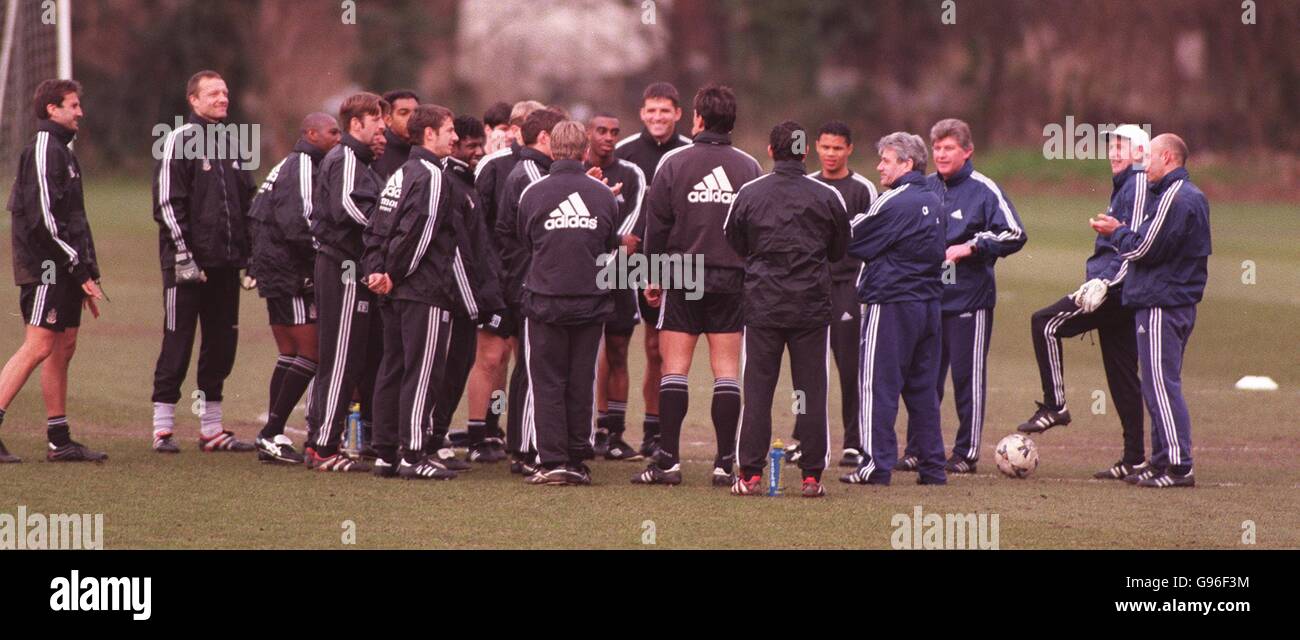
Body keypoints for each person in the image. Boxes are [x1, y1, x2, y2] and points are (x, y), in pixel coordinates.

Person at [632, 83, 763, 486]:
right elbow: (755, 230)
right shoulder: (749, 167)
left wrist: (651, 275)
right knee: (726, 372)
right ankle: (725, 464)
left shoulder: (673, 162)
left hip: (681, 276)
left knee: (675, 369)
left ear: (699, 119)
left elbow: (657, 227)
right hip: (731, 277)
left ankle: (668, 461)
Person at [723, 120, 849, 498]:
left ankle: (750, 475)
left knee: (758, 391)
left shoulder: (750, 192)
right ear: (806, 152)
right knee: (809, 390)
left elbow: (735, 239)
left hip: (763, 306)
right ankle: (811, 476)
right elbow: (839, 249)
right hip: (810, 308)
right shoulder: (827, 195)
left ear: (771, 151)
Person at [1018, 124, 1149, 481]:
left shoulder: (1136, 184)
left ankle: (1055, 406)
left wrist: (1105, 283)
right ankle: (1135, 458)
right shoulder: (1125, 184)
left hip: (1116, 291)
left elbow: (1135, 246)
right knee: (1122, 375)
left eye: (1123, 147)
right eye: (1113, 146)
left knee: (1044, 323)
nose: (1115, 152)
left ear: (1141, 153)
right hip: (1118, 290)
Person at [899, 118, 1025, 474]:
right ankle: (918, 450)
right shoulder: (923, 188)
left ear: (967, 151)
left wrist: (972, 246)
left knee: (966, 380)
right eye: (936, 148)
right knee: (923, 379)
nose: (940, 154)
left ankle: (966, 453)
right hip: (926, 299)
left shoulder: (984, 190)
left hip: (969, 301)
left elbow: (1015, 234)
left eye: (948, 148)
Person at [1090, 133, 1209, 489]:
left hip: (1163, 302)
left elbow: (1144, 249)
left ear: (1169, 158)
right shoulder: (1175, 195)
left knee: (1161, 384)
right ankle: (1159, 463)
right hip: (1163, 300)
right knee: (1156, 385)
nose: (1144, 164)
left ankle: (1178, 466)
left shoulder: (1177, 197)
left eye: (1150, 157)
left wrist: (1116, 231)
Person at [149, 70, 256, 454]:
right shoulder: (177, 141)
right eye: (213, 93)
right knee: (178, 341)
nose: (222, 98)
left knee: (221, 344)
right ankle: (162, 427)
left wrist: (251, 255)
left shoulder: (235, 142)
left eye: (225, 92)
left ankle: (212, 429)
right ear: (193, 100)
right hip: (186, 266)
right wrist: (185, 255)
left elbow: (248, 203)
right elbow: (166, 203)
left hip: (226, 265)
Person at [0, 78, 107, 463]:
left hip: (65, 267)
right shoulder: (45, 148)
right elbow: (43, 222)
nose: (80, 112)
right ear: (52, 109)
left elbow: (75, 220)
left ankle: (59, 440)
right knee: (39, 345)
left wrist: (88, 273)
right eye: (73, 105)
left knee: (64, 347)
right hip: (46, 266)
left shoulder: (64, 151)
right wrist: (77, 269)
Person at [364, 104, 471, 479]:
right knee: (422, 371)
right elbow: (420, 234)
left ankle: (385, 453)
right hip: (422, 291)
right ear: (429, 134)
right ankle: (412, 454)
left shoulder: (400, 173)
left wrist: (376, 271)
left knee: (392, 367)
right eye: (449, 130)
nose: (455, 137)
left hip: (394, 291)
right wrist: (393, 273)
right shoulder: (433, 175)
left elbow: (378, 226)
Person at [515, 120, 620, 485]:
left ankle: (553, 460)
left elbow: (525, 240)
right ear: (585, 151)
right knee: (581, 380)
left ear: (552, 149)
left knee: (546, 381)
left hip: (544, 301)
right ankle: (577, 458)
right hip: (591, 302)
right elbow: (609, 244)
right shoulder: (604, 195)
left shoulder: (532, 192)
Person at [840, 132, 947, 487]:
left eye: (886, 160)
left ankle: (875, 465)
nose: (879, 167)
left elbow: (854, 238)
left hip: (891, 304)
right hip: (929, 306)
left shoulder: (895, 201)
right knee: (922, 390)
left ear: (907, 163)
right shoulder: (935, 198)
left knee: (877, 386)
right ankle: (933, 467)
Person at [301, 92, 388, 472]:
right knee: (340, 359)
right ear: (357, 124)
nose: (382, 129)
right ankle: (324, 448)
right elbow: (348, 207)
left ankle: (320, 441)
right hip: (342, 269)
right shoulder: (347, 158)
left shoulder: (361, 161)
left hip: (347, 267)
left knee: (347, 358)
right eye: (377, 122)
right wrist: (390, 229)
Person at [246, 112, 340, 464]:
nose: (338, 138)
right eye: (332, 132)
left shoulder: (295, 163)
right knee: (311, 352)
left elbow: (258, 214)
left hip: (276, 268)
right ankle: (271, 431)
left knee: (290, 352)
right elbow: (299, 221)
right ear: (311, 134)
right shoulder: (301, 165)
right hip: (289, 271)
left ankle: (272, 434)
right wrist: (325, 258)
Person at [789, 120, 877, 469]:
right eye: (824, 147)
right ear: (815, 148)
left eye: (837, 148)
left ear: (849, 149)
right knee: (805, 370)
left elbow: (873, 237)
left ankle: (853, 441)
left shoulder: (863, 189)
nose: (830, 154)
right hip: (810, 288)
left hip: (848, 289)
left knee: (849, 368)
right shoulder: (806, 185)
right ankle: (803, 438)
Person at [614, 81, 693, 459]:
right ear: (642, 113)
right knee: (619, 343)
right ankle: (610, 430)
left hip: (676, 260)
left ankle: (657, 430)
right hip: (626, 259)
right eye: (651, 110)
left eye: (665, 110)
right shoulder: (623, 152)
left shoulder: (691, 153)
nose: (657, 117)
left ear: (679, 114)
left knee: (663, 348)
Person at [467, 99, 546, 463]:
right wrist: (487, 276)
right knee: (492, 358)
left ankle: (509, 430)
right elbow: (477, 225)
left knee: (522, 359)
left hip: (530, 280)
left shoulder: (550, 167)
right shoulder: (493, 166)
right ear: (514, 129)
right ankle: (479, 431)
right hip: (497, 280)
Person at [494, 107, 567, 474]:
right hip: (526, 281)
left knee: (531, 363)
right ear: (543, 139)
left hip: (527, 279)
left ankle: (524, 444)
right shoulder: (528, 176)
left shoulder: (534, 172)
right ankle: (524, 447)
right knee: (531, 365)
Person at [585, 111, 647, 461]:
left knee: (619, 352)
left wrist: (606, 246)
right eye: (601, 131)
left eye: (614, 131)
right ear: (587, 134)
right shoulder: (576, 173)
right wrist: (611, 242)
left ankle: (616, 433)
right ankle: (589, 430)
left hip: (621, 276)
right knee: (586, 354)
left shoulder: (631, 174)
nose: (608, 137)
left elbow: (634, 227)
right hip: (585, 276)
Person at [372, 89, 419, 180]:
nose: (412, 118)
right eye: (404, 113)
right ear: (388, 120)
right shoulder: (377, 153)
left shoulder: (428, 152)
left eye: (416, 113)